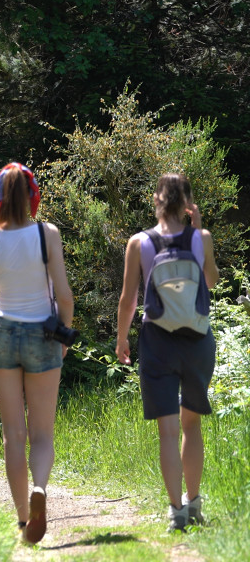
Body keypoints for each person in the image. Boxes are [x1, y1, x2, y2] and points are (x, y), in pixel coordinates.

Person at [0, 162, 74, 544]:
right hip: (43, 332)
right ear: (31, 196)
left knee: (14, 434)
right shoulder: (48, 234)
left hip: (2, 331)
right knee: (42, 433)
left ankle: (23, 521)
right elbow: (64, 295)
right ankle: (40, 487)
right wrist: (63, 337)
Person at [115, 173, 218, 532]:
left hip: (158, 342)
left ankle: (176, 511)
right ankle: (195, 502)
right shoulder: (201, 238)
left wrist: (121, 339)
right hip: (197, 341)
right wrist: (198, 229)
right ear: (187, 203)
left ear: (156, 200)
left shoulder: (139, 242)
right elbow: (210, 281)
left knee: (168, 430)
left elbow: (128, 300)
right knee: (192, 424)